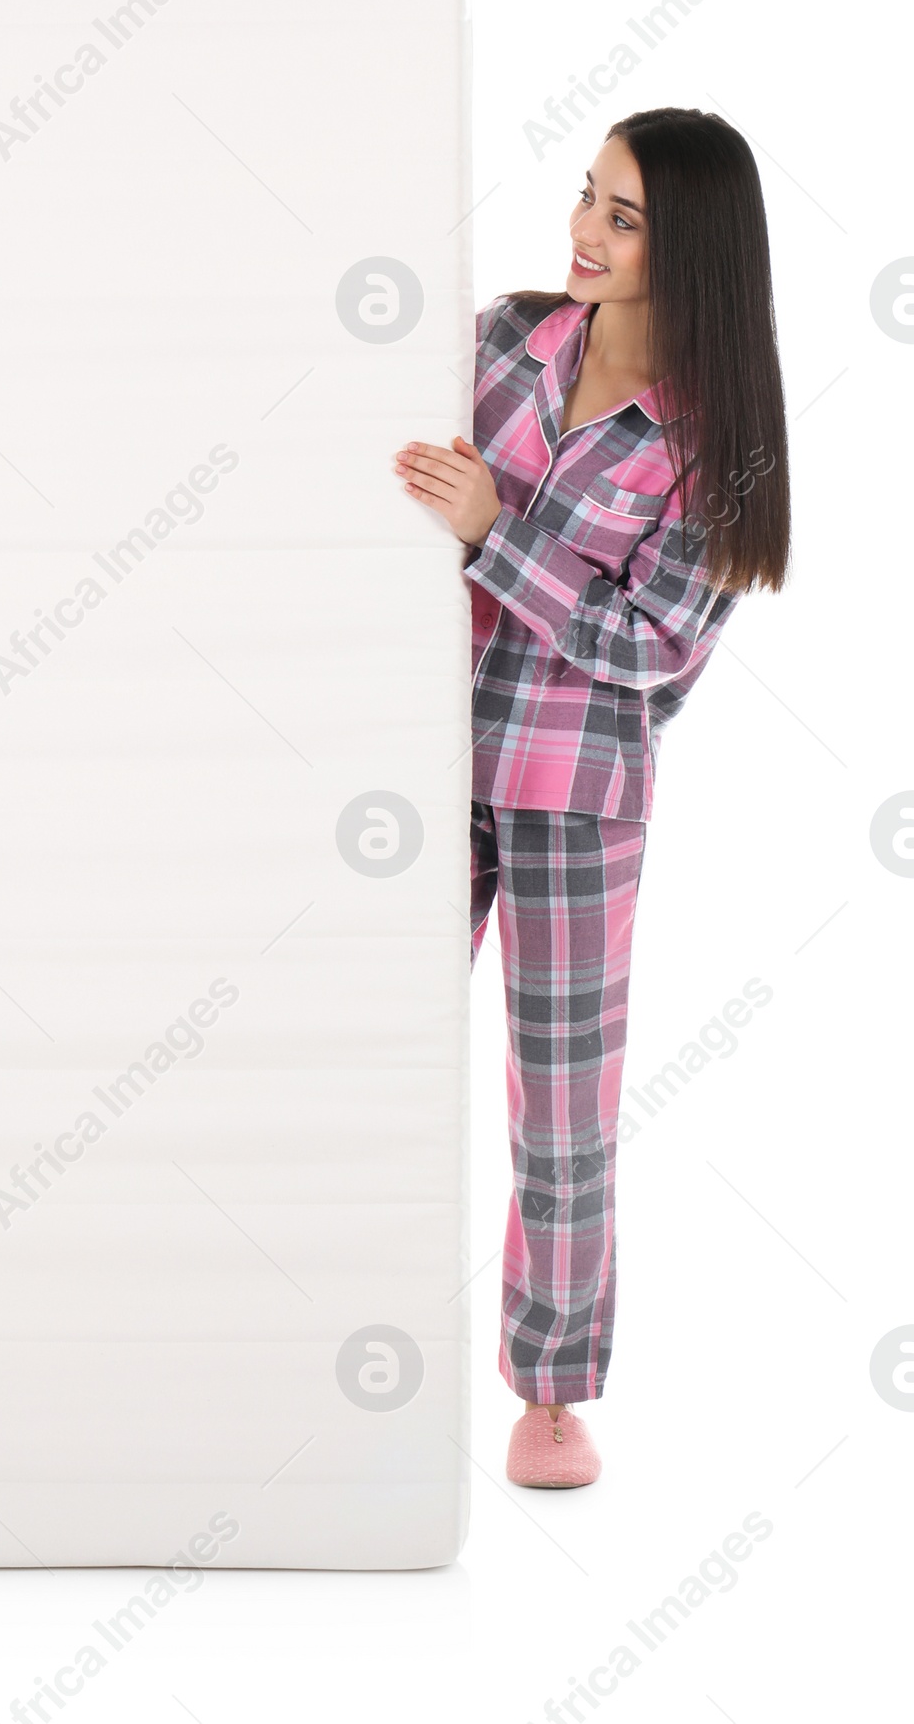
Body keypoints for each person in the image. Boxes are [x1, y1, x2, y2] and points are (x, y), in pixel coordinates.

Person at [394, 106, 790, 1490]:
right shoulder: (500, 343)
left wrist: (494, 535)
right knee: (370, 1053)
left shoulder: (718, 442)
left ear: (689, 247)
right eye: (587, 198)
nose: (585, 232)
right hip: (422, 768)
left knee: (561, 1107)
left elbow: (649, 651)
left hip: (577, 795)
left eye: (623, 217)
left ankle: (552, 1385)